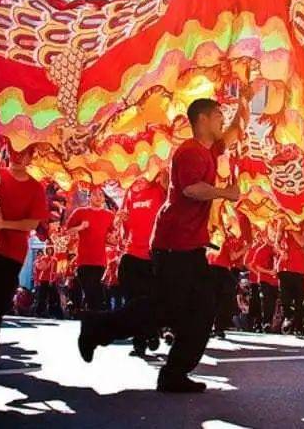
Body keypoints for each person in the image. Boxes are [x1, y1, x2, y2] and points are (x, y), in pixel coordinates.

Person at [77, 98, 240, 393]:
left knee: (196, 304)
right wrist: (225, 192)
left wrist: (245, 96)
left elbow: (234, 132)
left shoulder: (209, 149)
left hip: (188, 245)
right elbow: (191, 189)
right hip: (174, 243)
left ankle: (171, 371)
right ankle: (100, 327)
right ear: (202, 119)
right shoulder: (191, 152)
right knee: (168, 307)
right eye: (218, 115)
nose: (222, 120)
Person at [0, 145, 48, 367]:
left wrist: (5, 224)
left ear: (31, 157)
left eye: (24, 153)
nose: (17, 157)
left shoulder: (36, 188)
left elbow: (33, 222)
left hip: (11, 253)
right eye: (14, 151)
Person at [116, 176, 166, 355]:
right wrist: (122, 219)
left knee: (150, 300)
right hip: (131, 252)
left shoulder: (158, 190)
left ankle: (151, 333)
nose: (140, 180)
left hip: (153, 254)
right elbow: (125, 225)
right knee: (132, 300)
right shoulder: (129, 192)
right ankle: (141, 340)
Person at [66, 187, 116, 311]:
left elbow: (112, 238)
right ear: (89, 197)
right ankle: (91, 322)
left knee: (98, 295)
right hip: (84, 260)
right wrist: (80, 227)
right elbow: (67, 230)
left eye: (101, 195)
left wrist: (113, 237)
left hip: (100, 261)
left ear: (104, 198)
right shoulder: (80, 212)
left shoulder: (109, 215)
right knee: (89, 292)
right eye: (95, 194)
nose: (98, 197)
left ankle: (95, 323)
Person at [276, 221, 304, 335]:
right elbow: (276, 242)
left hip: (300, 267)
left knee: (299, 300)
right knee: (285, 298)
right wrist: (280, 251)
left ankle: (299, 326)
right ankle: (288, 317)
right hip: (285, 266)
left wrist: (291, 230)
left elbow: (303, 242)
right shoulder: (282, 221)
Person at [250, 238, 279, 333]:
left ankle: (270, 322)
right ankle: (265, 322)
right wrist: (269, 272)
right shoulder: (261, 249)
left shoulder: (278, 248)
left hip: (275, 281)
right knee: (266, 301)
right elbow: (256, 266)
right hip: (264, 280)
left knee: (273, 302)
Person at [33, 247, 59, 317]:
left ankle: (52, 313)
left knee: (52, 297)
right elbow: (42, 268)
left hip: (51, 280)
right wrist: (48, 263)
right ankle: (39, 312)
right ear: (46, 250)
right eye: (48, 249)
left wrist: (53, 279)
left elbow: (56, 271)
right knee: (42, 296)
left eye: (51, 249)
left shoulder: (55, 260)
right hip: (44, 279)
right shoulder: (44, 258)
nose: (49, 251)